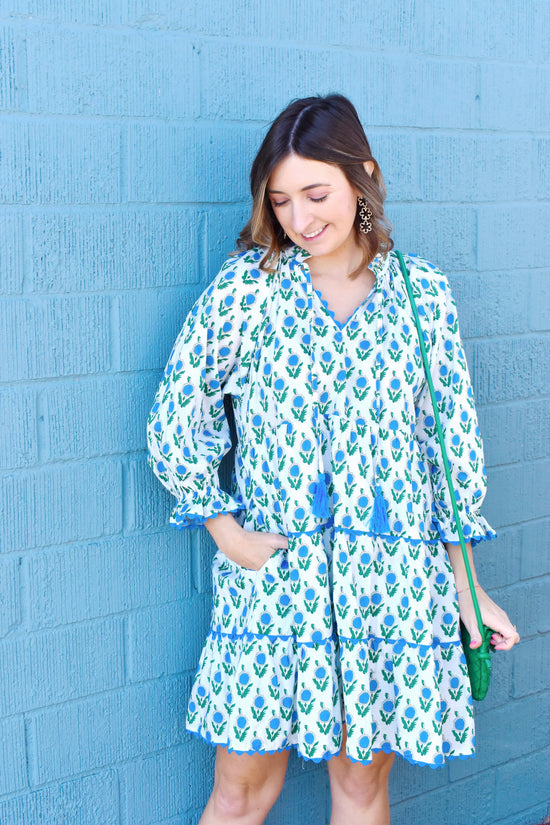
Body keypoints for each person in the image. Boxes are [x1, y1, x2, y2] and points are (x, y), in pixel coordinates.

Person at [147, 94, 520, 825]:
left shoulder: (422, 295)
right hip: (278, 583)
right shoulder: (248, 289)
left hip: (391, 582)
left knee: (360, 790)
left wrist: (466, 588)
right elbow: (174, 415)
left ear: (363, 178)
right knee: (239, 794)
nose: (299, 217)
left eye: (316, 193)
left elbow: (450, 452)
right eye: (281, 199)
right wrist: (231, 538)